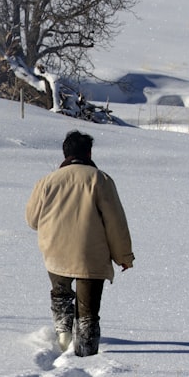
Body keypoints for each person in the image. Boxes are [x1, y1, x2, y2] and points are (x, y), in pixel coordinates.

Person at [25, 130, 134, 356]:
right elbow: (115, 223)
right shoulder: (100, 179)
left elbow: (32, 220)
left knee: (61, 295)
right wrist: (123, 257)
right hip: (91, 255)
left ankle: (63, 339)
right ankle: (85, 353)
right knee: (88, 312)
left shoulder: (47, 182)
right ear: (89, 152)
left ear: (65, 153)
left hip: (55, 252)